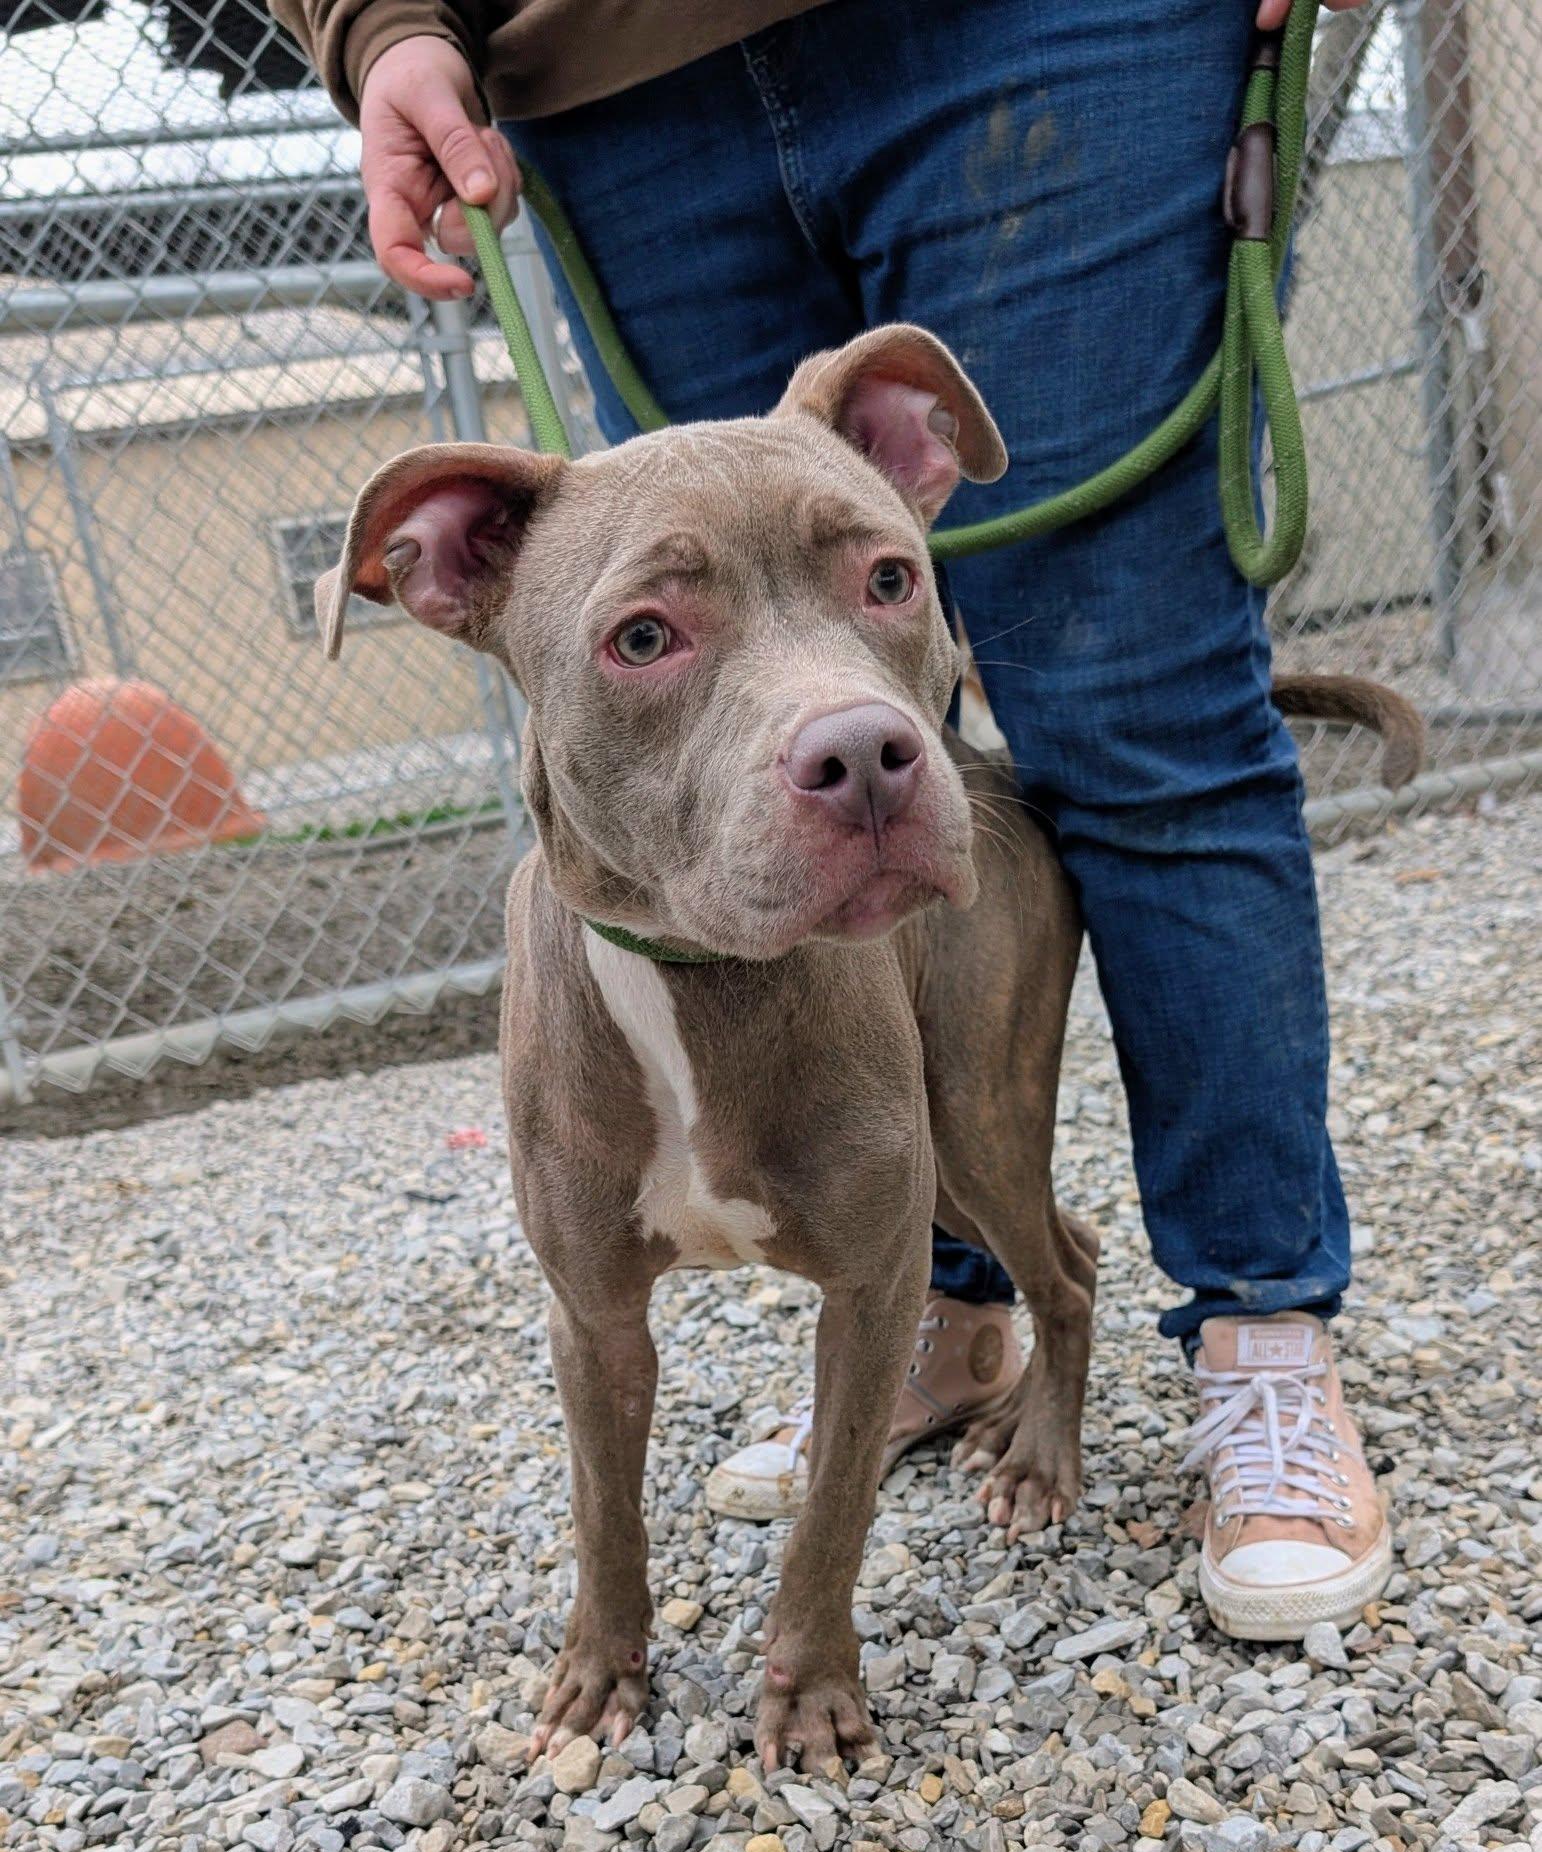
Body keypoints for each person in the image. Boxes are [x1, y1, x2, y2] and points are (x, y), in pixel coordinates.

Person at [275, 0, 1390, 1640]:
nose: (847, 724)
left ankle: (1256, 1327)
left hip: (1069, 25)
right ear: (442, 571)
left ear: (922, 459)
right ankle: (941, 1321)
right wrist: (375, 20)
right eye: (638, 641)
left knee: (1140, 699)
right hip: (607, 73)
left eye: (889, 585)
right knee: (697, 558)